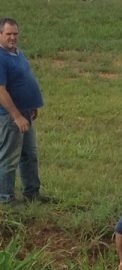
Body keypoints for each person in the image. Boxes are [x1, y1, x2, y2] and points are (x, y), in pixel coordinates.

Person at [0, 17, 48, 204]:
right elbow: (1, 91)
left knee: (29, 155)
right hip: (10, 117)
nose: (12, 37)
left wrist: (31, 105)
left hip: (25, 113)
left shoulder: (17, 53)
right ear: (0, 34)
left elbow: (24, 79)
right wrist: (17, 116)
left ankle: (32, 194)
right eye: (8, 34)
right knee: (9, 158)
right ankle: (5, 198)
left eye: (15, 34)